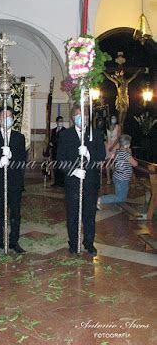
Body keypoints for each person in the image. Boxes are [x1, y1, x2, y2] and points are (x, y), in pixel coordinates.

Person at [56, 105, 106, 256]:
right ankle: (73, 243)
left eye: (84, 115)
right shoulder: (66, 135)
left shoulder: (95, 134)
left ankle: (89, 243)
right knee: (72, 214)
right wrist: (73, 171)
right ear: (73, 117)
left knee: (89, 215)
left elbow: (101, 156)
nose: (81, 118)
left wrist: (89, 154)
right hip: (73, 182)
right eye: (78, 115)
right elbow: (60, 160)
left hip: (90, 182)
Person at [0, 106, 27, 254]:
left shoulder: (19, 137)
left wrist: (11, 155)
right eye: (4, 116)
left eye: (9, 116)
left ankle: (14, 241)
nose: (6, 119)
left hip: (14, 181)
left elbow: (22, 159)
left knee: (15, 212)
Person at [98, 135, 137, 207]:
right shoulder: (126, 154)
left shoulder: (118, 152)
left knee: (118, 194)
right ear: (127, 145)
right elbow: (135, 164)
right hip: (123, 178)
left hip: (117, 176)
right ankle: (100, 200)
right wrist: (130, 153)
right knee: (120, 198)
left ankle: (116, 201)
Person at [50, 116, 66, 187]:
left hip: (61, 151)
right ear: (57, 122)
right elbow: (52, 139)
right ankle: (56, 181)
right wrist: (50, 143)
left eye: (62, 121)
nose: (61, 122)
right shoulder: (53, 130)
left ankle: (62, 182)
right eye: (59, 121)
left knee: (61, 167)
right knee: (55, 167)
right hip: (54, 151)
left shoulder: (65, 130)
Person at [105, 115, 121, 184]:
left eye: (114, 118)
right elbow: (105, 137)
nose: (113, 119)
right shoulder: (107, 127)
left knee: (114, 163)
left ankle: (115, 178)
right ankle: (108, 179)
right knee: (108, 163)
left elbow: (118, 137)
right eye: (112, 118)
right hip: (108, 146)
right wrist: (107, 144)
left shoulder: (118, 127)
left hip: (115, 146)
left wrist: (113, 146)